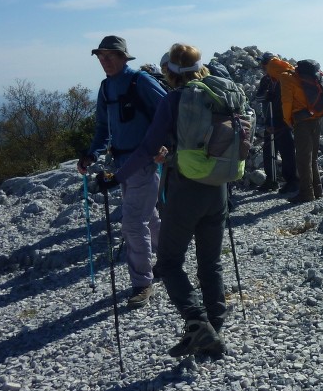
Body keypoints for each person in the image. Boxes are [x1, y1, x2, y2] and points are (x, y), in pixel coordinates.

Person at [98, 43, 230, 358]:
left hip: (186, 189)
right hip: (218, 187)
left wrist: (116, 177)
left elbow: (146, 148)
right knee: (210, 262)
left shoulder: (174, 100)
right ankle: (213, 329)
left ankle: (197, 323)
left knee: (170, 262)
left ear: (170, 71)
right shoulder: (219, 94)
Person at [77, 35, 166, 309]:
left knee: (131, 224)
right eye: (101, 56)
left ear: (124, 57)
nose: (105, 61)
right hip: (122, 163)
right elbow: (103, 127)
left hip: (144, 160)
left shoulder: (141, 81)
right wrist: (92, 154)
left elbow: (168, 111)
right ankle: (168, 259)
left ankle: (142, 284)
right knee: (147, 216)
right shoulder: (106, 88)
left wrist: (164, 145)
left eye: (110, 56)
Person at [265, 57, 323, 203]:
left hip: (302, 120)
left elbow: (286, 101)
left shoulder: (285, 77)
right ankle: (317, 189)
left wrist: (288, 120)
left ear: (273, 70)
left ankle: (306, 193)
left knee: (302, 158)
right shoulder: (299, 73)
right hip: (316, 116)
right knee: (312, 157)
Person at [255, 52, 299, 193]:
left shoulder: (285, 79)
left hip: (283, 120)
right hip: (271, 120)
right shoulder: (266, 80)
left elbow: (287, 101)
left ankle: (292, 180)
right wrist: (266, 96)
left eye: (263, 63)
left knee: (287, 151)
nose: (262, 66)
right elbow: (259, 97)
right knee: (269, 150)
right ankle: (271, 179)